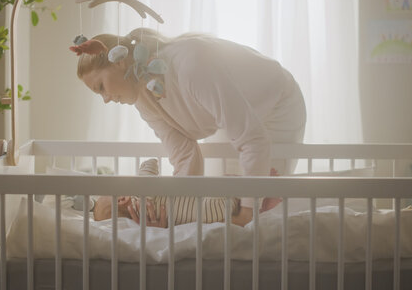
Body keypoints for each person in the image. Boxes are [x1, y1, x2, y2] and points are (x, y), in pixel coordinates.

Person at [70, 28, 306, 226]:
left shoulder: (190, 65)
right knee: (221, 204)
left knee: (264, 210)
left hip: (277, 106)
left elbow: (254, 140)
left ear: (120, 61)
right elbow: (186, 156)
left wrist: (246, 213)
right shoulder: (142, 97)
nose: (106, 99)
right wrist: (168, 217)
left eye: (101, 87)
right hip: (236, 115)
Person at [93, 159, 280, 227]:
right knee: (229, 184)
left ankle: (262, 203)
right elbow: (151, 163)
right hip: (211, 203)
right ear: (122, 199)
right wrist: (138, 179)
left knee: (233, 197)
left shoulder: (141, 222)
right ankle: (263, 184)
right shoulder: (142, 193)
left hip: (212, 216)